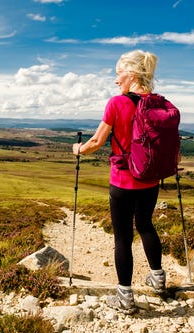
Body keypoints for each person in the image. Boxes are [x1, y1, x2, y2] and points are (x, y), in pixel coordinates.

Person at [72, 49, 166, 314]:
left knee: (123, 237)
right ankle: (158, 279)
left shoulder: (117, 103)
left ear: (132, 74)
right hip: (150, 178)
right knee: (146, 225)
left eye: (118, 74)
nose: (116, 80)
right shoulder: (159, 103)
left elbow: (96, 141)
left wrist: (77, 150)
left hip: (124, 180)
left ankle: (125, 296)